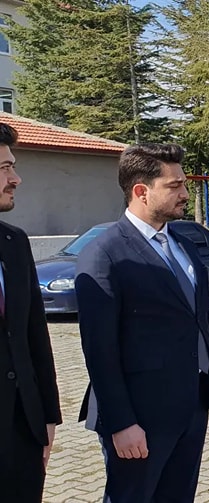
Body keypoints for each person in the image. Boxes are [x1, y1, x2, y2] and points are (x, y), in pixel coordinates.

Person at [76, 144, 209, 502]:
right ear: (141, 191)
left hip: (190, 409)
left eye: (184, 183)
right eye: (174, 185)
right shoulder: (105, 254)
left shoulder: (183, 245)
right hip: (139, 418)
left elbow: (203, 320)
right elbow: (99, 349)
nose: (185, 193)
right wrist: (121, 423)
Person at [0, 122, 61, 502]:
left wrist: (48, 416)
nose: (16, 178)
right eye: (5, 168)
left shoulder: (15, 242)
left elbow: (34, 334)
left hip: (22, 429)